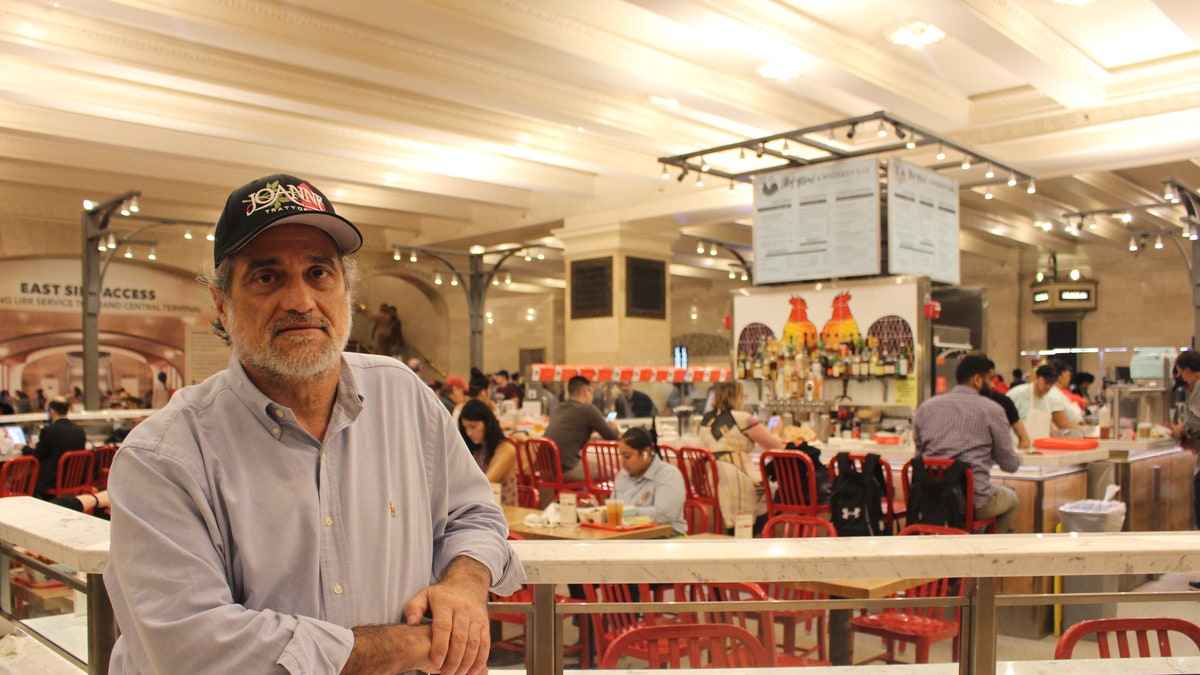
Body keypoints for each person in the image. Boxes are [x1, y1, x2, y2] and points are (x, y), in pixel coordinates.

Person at [103, 173, 524, 675]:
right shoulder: (164, 457)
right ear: (221, 303)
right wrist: (411, 646)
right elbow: (194, 649)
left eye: (319, 273)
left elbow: (473, 513)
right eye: (267, 277)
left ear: (345, 290)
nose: (301, 301)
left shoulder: (403, 396)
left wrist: (465, 583)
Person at [913, 354, 1021, 533]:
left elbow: (919, 456)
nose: (994, 385)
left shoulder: (926, 407)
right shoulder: (992, 409)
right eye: (990, 379)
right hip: (972, 502)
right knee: (1011, 498)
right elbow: (1010, 465)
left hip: (929, 499)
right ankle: (991, 551)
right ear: (977, 380)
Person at [697, 380, 785, 530]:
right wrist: (776, 431)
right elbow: (774, 446)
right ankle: (755, 530)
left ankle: (745, 530)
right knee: (776, 490)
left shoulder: (707, 418)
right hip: (734, 475)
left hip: (709, 478)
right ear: (737, 397)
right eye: (743, 396)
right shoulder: (743, 418)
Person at [543, 376, 620, 485]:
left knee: (588, 464)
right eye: (591, 392)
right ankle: (606, 502)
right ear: (585, 392)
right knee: (615, 473)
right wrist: (614, 425)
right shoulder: (587, 409)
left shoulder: (558, 409)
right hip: (566, 469)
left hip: (546, 469)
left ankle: (583, 499)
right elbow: (612, 436)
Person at [612, 427, 686, 535]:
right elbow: (613, 508)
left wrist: (626, 512)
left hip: (664, 540)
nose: (622, 462)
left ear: (646, 452)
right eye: (621, 456)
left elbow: (665, 515)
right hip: (629, 537)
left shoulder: (668, 475)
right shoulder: (623, 475)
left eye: (627, 456)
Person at [22, 396, 87, 500]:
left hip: (52, 480)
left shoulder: (49, 431)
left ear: (52, 412)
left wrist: (24, 447)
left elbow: (37, 455)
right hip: (74, 479)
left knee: (22, 482)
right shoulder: (79, 430)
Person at [458, 399, 518, 506]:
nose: (469, 433)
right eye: (465, 428)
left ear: (488, 423)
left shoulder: (506, 450)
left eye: (473, 427)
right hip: (480, 509)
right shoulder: (476, 449)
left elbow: (485, 483)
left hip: (504, 513)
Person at [972, 352, 1030, 451]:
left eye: (993, 379)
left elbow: (1024, 439)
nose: (993, 385)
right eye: (990, 379)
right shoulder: (956, 404)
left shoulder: (1003, 402)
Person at [1006, 364, 1074, 439]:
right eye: (1046, 382)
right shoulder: (1017, 394)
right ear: (1036, 377)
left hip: (1041, 447)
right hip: (1018, 447)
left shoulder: (1048, 399)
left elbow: (1049, 425)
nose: (1048, 386)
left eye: (1051, 384)